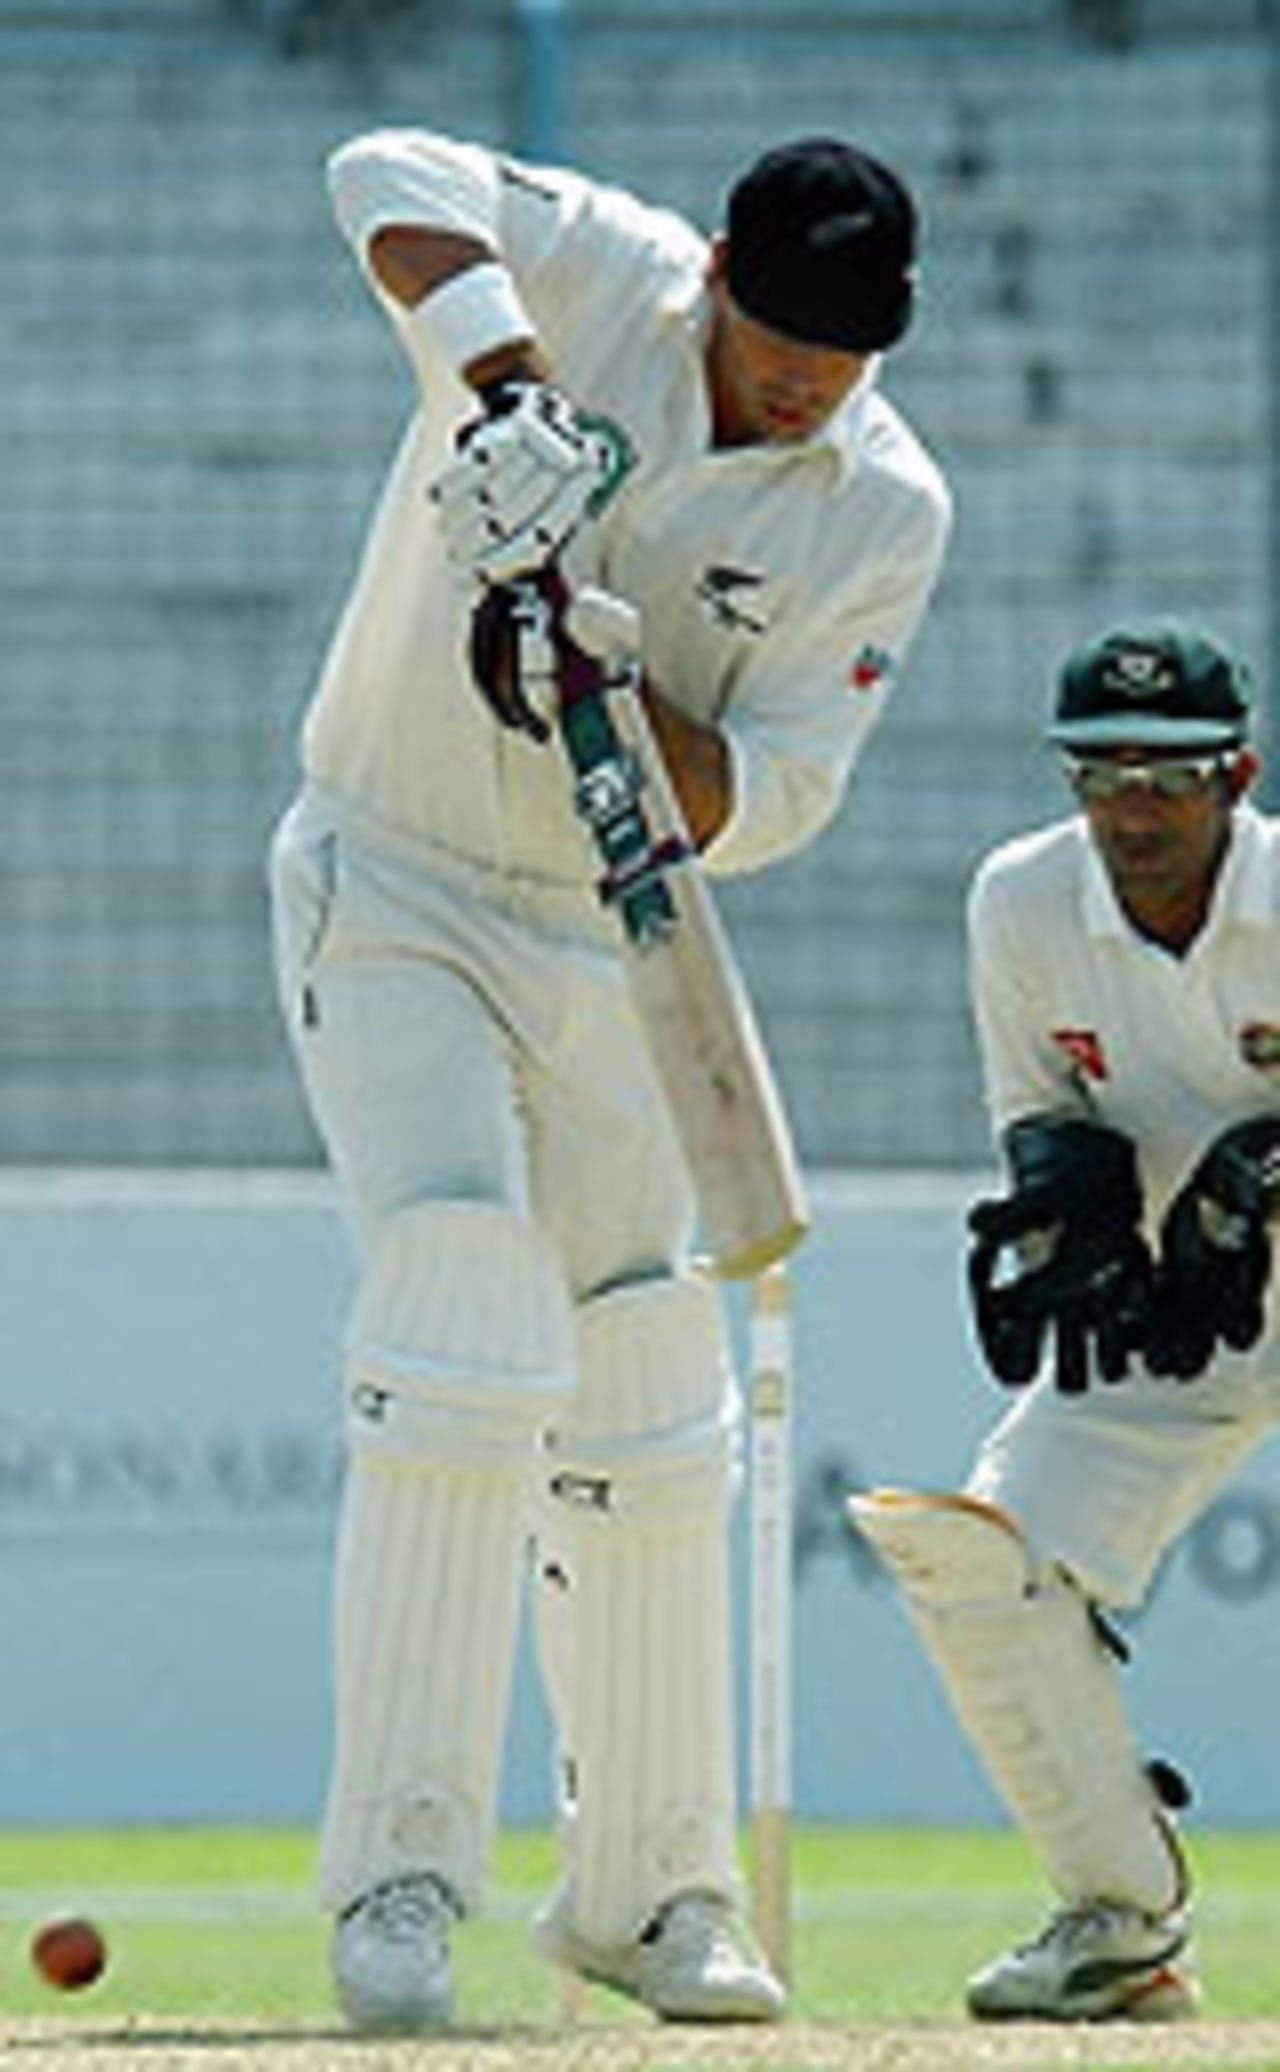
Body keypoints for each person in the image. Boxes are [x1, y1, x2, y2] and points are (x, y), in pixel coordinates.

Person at [269, 122, 951, 2033]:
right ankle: (398, 1881)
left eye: (847, 348)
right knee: (460, 1282)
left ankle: (654, 1894)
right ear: (718, 268)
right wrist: (504, 398)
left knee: (650, 1365)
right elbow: (379, 167)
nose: (802, 376)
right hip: (391, 871)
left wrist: (604, 671)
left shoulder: (883, 504)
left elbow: (770, 803)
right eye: (778, 332)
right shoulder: (606, 275)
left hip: (618, 932)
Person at [853, 619, 1280, 2024]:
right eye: (1100, 774)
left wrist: (1259, 1180)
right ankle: (1120, 1920)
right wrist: (1070, 1212)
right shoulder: (1021, 901)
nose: (1133, 808)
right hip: (1182, 1313)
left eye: (1169, 775)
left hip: (1240, 1258)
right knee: (983, 1563)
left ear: (1240, 773)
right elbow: (1039, 1105)